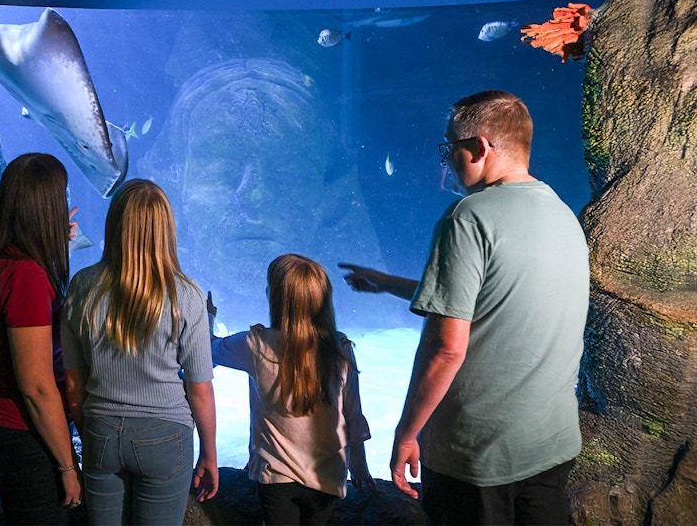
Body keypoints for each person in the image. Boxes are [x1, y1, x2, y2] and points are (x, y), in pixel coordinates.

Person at [340, 90, 589, 524]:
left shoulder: (468, 217)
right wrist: (388, 284)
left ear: (478, 147)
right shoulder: (563, 214)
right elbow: (492, 297)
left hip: (479, 455)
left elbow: (447, 349)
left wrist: (407, 432)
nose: (447, 162)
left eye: (449, 148)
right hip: (550, 445)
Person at [61, 179, 219, 525]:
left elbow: (73, 383)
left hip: (100, 431)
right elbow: (200, 389)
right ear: (166, 228)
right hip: (165, 436)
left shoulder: (82, 286)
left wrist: (93, 430)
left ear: (114, 224)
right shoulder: (186, 295)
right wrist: (209, 453)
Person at [0, 153, 82, 524]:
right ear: (45, 207)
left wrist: (58, 246)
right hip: (21, 428)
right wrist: (66, 466)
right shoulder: (24, 275)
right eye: (60, 197)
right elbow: (36, 386)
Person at [209, 254, 375, 525]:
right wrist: (359, 467)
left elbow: (209, 348)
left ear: (276, 298)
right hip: (328, 477)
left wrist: (207, 316)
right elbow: (352, 416)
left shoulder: (255, 345)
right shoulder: (341, 349)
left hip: (276, 476)